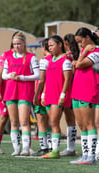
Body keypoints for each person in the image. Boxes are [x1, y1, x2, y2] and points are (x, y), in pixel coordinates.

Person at [2, 31, 40, 156]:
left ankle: (25, 148)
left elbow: (37, 75)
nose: (17, 46)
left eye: (19, 43)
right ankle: (16, 148)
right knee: (13, 122)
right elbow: (3, 75)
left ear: (24, 43)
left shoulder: (31, 58)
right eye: (14, 44)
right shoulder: (8, 57)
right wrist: (10, 75)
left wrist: (22, 77)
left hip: (25, 92)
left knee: (24, 121)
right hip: (11, 92)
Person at [70, 27, 99, 165]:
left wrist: (86, 51)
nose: (80, 45)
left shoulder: (96, 50)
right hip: (77, 90)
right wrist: (83, 52)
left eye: (81, 41)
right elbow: (76, 66)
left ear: (88, 37)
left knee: (89, 124)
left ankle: (91, 157)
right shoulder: (84, 50)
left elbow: (80, 65)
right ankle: (85, 155)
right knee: (82, 125)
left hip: (88, 90)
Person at [41, 35, 72, 159]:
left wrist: (63, 95)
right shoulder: (48, 60)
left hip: (58, 95)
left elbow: (67, 80)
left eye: (52, 45)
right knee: (51, 123)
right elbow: (45, 80)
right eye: (48, 46)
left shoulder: (66, 60)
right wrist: (43, 94)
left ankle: (55, 151)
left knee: (54, 122)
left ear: (60, 45)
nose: (50, 48)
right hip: (49, 95)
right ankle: (54, 150)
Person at [58, 33, 80, 156]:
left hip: (71, 89)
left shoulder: (68, 57)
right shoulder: (78, 54)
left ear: (65, 43)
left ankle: (71, 148)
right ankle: (70, 148)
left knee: (71, 120)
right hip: (76, 88)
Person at [32, 38, 52, 156]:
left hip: (42, 95)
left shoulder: (44, 60)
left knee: (41, 122)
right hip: (52, 94)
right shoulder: (56, 59)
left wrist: (37, 95)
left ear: (43, 47)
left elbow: (41, 81)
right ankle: (50, 145)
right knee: (50, 122)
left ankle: (43, 147)